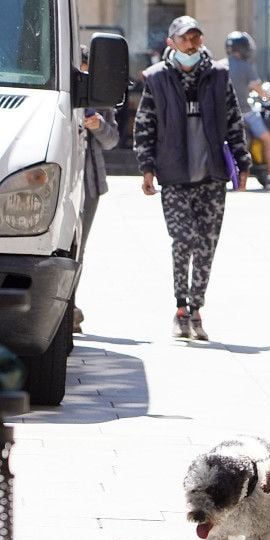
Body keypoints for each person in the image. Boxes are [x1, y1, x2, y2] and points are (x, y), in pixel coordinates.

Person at [134, 15, 251, 341]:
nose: (192, 43)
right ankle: (180, 307)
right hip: (174, 176)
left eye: (196, 38)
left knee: (206, 246)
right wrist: (147, 168)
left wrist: (243, 163)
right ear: (172, 42)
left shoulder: (218, 76)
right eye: (185, 38)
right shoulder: (157, 79)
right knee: (183, 239)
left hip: (211, 176)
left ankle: (196, 309)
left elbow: (233, 121)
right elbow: (145, 127)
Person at [74, 46, 120, 334]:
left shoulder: (98, 94)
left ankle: (69, 304)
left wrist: (99, 125)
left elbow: (113, 139)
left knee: (79, 247)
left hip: (89, 179)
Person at [223, 31, 270, 187]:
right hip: (244, 113)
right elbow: (258, 89)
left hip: (222, 115)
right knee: (268, 139)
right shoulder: (245, 67)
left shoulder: (220, 65)